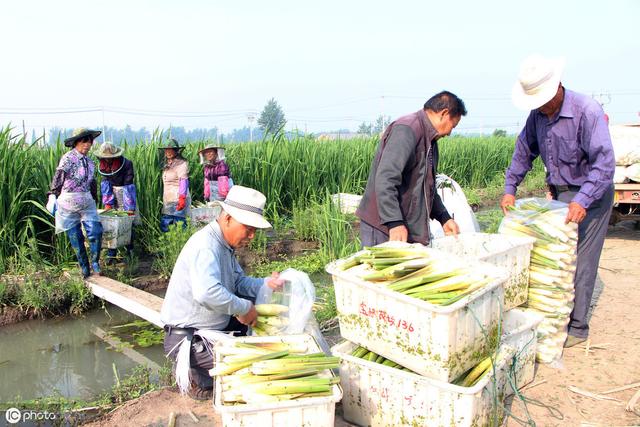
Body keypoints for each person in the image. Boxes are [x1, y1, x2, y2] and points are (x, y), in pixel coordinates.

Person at [501, 54, 615, 348]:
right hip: (561, 192)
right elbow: (524, 150)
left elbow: (604, 164)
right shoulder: (537, 115)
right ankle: (552, 321)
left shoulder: (586, 111)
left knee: (581, 260)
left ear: (557, 87)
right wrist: (510, 187)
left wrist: (583, 200)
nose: (540, 106)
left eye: (544, 100)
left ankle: (577, 327)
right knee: (555, 257)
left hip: (593, 194)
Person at [160, 185, 283, 400]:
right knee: (257, 365)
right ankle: (196, 375)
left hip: (215, 326)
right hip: (190, 337)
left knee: (258, 323)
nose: (252, 236)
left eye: (255, 230)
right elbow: (206, 293)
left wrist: (266, 284)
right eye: (248, 228)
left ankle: (205, 374)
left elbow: (239, 282)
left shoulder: (224, 245)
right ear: (227, 219)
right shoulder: (206, 246)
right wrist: (243, 308)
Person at [356, 91, 467, 246]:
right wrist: (394, 222)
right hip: (383, 226)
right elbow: (386, 178)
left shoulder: (430, 141)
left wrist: (444, 217)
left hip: (404, 224)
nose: (450, 132)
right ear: (444, 113)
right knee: (379, 269)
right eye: (452, 126)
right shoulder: (407, 130)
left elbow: (427, 187)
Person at [46, 128, 103, 278]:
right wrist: (52, 194)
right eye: (85, 141)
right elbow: (59, 176)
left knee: (95, 231)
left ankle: (95, 261)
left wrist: (95, 198)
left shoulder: (90, 162)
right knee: (76, 236)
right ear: (76, 142)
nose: (88, 144)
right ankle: (84, 267)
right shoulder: (68, 158)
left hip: (86, 201)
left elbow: (92, 183)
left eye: (90, 141)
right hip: (68, 202)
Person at [95, 141, 139, 262]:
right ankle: (111, 254)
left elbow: (129, 184)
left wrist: (129, 207)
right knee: (110, 224)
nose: (108, 159)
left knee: (127, 223)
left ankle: (130, 252)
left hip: (126, 194)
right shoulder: (103, 165)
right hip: (111, 194)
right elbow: (105, 183)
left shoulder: (127, 164)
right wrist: (108, 203)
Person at [159, 138, 190, 232]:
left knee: (179, 224)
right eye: (167, 150)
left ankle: (181, 244)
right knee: (166, 224)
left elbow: (183, 181)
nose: (168, 152)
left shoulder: (182, 164)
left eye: (171, 149)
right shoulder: (166, 164)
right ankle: (168, 244)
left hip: (178, 198)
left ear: (176, 151)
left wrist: (182, 198)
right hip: (168, 198)